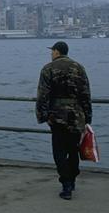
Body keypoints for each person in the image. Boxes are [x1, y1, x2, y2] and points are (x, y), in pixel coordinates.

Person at [36, 41, 92, 201]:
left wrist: (43, 116)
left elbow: (43, 95)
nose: (51, 53)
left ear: (56, 52)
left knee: (59, 151)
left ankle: (66, 184)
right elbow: (85, 94)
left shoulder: (48, 69)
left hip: (57, 116)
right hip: (76, 115)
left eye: (52, 51)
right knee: (73, 149)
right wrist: (87, 116)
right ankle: (72, 179)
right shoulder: (79, 68)